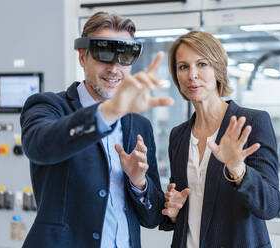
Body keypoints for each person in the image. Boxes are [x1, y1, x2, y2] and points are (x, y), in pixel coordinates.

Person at [20, 11, 173, 248]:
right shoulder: (49, 106)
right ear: (82, 57)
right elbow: (40, 146)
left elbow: (152, 217)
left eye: (124, 58)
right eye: (104, 55)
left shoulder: (140, 125)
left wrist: (138, 182)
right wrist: (108, 112)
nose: (114, 68)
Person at [159, 30, 280, 248]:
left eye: (202, 64)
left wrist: (237, 169)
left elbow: (270, 206)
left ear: (218, 69)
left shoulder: (252, 123)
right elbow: (191, 206)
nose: (192, 75)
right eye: (183, 66)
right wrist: (175, 212)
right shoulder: (178, 135)